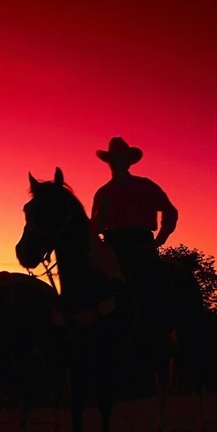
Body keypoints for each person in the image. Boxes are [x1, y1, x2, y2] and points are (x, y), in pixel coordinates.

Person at [90, 136, 178, 324]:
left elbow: (170, 211)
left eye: (120, 158)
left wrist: (159, 240)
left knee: (154, 287)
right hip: (111, 246)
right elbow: (95, 226)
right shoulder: (103, 192)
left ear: (128, 162)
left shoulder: (146, 186)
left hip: (140, 244)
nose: (116, 163)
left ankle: (162, 327)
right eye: (113, 159)